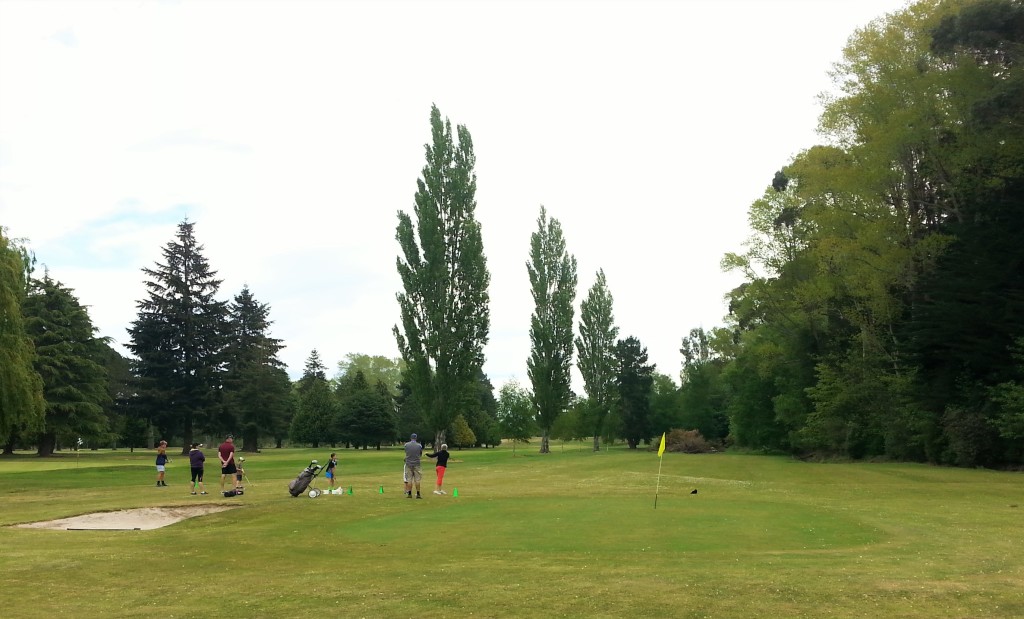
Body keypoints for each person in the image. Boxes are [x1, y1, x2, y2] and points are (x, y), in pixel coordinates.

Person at [403, 433, 424, 499]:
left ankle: (409, 493)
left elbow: (406, 453)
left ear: (410, 438)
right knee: (417, 480)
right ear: (416, 438)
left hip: (408, 463)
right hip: (417, 464)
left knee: (409, 479)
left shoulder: (406, 445)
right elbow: (420, 454)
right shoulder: (419, 445)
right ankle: (418, 494)